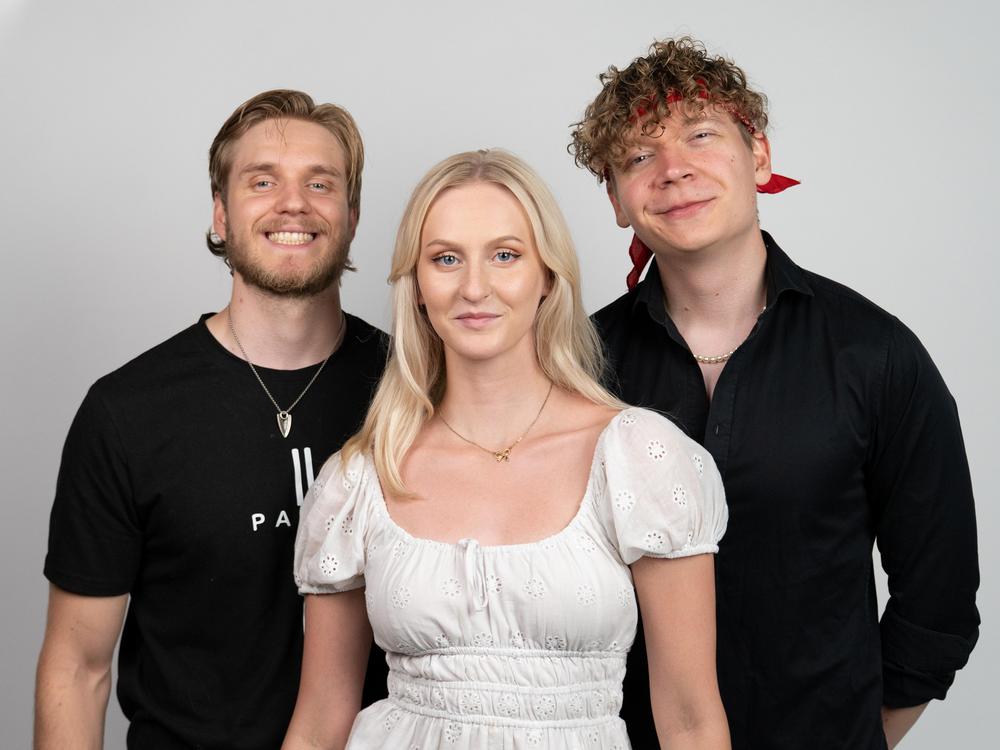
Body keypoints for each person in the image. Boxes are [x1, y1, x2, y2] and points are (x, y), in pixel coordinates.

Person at [569, 37, 980, 750]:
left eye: (701, 135)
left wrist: (855, 736)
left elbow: (938, 603)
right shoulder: (577, 368)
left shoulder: (876, 355)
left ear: (758, 154)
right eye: (638, 156)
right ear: (616, 201)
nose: (673, 169)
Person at [284, 149, 731, 749]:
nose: (474, 287)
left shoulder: (637, 457)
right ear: (417, 288)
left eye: (505, 255)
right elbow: (318, 725)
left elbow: (691, 722)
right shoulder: (362, 475)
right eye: (446, 259)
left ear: (547, 276)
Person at [35, 89, 388, 750]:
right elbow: (77, 668)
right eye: (263, 182)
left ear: (352, 215)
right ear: (221, 213)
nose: (293, 203)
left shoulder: (415, 391)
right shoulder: (127, 413)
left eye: (320, 183)